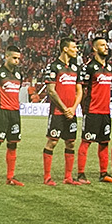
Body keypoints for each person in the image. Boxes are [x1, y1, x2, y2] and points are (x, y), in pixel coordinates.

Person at [40, 37, 83, 186]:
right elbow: (51, 91)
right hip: (58, 113)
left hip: (71, 112)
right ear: (65, 48)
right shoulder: (53, 67)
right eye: (74, 47)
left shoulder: (76, 68)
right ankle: (47, 177)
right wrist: (65, 109)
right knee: (52, 142)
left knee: (70, 143)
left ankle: (68, 177)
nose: (76, 50)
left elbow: (79, 91)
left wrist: (73, 108)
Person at [0, 47, 29, 187]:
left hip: (15, 113)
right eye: (14, 58)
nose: (17, 61)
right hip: (1, 112)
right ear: (6, 57)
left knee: (13, 144)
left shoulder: (18, 75)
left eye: (18, 58)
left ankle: (10, 177)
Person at [81, 36, 112, 183]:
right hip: (92, 111)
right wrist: (84, 108)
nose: (106, 47)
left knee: (104, 142)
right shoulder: (89, 67)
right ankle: (81, 174)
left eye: (106, 45)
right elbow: (82, 89)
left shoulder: (109, 67)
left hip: (105, 112)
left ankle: (104, 173)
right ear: (95, 48)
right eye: (102, 45)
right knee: (86, 141)